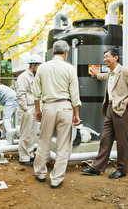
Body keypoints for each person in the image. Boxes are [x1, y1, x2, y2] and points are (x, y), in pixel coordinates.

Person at [81, 48, 128, 179]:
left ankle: (122, 170)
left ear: (116, 58)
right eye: (104, 57)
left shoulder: (125, 71)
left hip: (121, 109)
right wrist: (97, 74)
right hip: (110, 108)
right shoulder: (110, 73)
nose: (105, 60)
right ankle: (97, 167)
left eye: (107, 57)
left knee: (122, 141)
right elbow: (105, 77)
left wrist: (127, 102)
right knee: (105, 138)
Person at [33, 40, 81, 189]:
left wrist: (37, 110)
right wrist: (76, 114)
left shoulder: (42, 68)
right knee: (63, 144)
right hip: (65, 106)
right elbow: (74, 93)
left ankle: (40, 173)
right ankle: (56, 179)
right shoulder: (70, 68)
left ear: (52, 53)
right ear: (66, 52)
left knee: (44, 140)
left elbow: (36, 92)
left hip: (47, 106)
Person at [16, 54, 43, 167]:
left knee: (32, 134)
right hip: (26, 107)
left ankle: (30, 154)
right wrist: (26, 109)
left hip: (34, 107)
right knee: (25, 134)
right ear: (33, 64)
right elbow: (20, 94)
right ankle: (23, 157)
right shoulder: (23, 76)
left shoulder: (35, 76)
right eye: (39, 65)